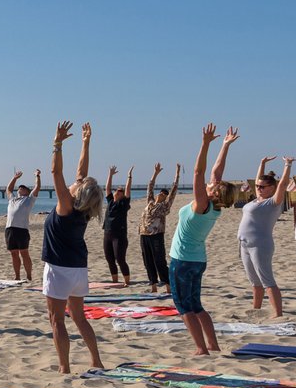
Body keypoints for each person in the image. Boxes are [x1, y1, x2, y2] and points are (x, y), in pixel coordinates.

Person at [169, 124, 240, 355]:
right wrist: (225, 146)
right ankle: (213, 344)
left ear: (214, 193)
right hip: (198, 260)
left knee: (184, 307)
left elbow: (199, 173)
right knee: (197, 305)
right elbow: (215, 174)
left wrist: (205, 144)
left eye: (213, 186)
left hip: (182, 261)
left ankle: (201, 348)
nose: (212, 182)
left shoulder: (202, 205)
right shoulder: (214, 207)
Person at [41, 121, 104, 374]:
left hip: (59, 269)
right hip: (78, 268)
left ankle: (64, 367)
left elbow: (56, 174)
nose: (75, 181)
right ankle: (96, 361)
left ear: (78, 193)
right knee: (79, 317)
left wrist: (56, 144)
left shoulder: (66, 205)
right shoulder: (84, 209)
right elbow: (81, 173)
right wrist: (85, 142)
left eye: (78, 183)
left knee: (56, 319)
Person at [238, 156, 294, 318]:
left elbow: (283, 184)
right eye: (257, 186)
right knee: (254, 282)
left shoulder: (272, 202)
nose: (259, 188)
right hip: (244, 244)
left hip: (260, 245)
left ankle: (278, 314)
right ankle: (256, 309)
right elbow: (258, 180)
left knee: (267, 280)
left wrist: (287, 165)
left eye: (262, 187)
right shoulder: (257, 199)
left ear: (272, 188)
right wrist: (262, 163)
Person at [138, 163, 180, 293]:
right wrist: (155, 173)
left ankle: (168, 286)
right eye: (161, 192)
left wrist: (177, 174)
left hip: (156, 235)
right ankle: (153, 286)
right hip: (144, 234)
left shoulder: (165, 206)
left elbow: (174, 190)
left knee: (159, 260)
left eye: (164, 194)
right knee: (147, 260)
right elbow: (150, 186)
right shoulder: (150, 202)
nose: (162, 194)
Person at [4, 169, 41, 280]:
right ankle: (17, 277)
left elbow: (37, 187)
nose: (20, 188)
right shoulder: (12, 200)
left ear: (27, 191)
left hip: (22, 230)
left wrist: (37, 176)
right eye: (19, 187)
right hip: (9, 229)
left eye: (23, 188)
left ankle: (29, 276)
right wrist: (15, 178)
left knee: (24, 253)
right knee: (14, 254)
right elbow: (9, 189)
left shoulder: (29, 199)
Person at [102, 165, 134, 284]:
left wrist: (129, 176)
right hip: (107, 234)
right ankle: (115, 281)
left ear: (122, 195)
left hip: (119, 236)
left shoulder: (123, 204)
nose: (118, 192)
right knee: (110, 259)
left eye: (120, 191)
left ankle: (127, 281)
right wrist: (110, 174)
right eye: (117, 190)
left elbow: (128, 190)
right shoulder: (110, 202)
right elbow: (107, 188)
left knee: (120, 259)